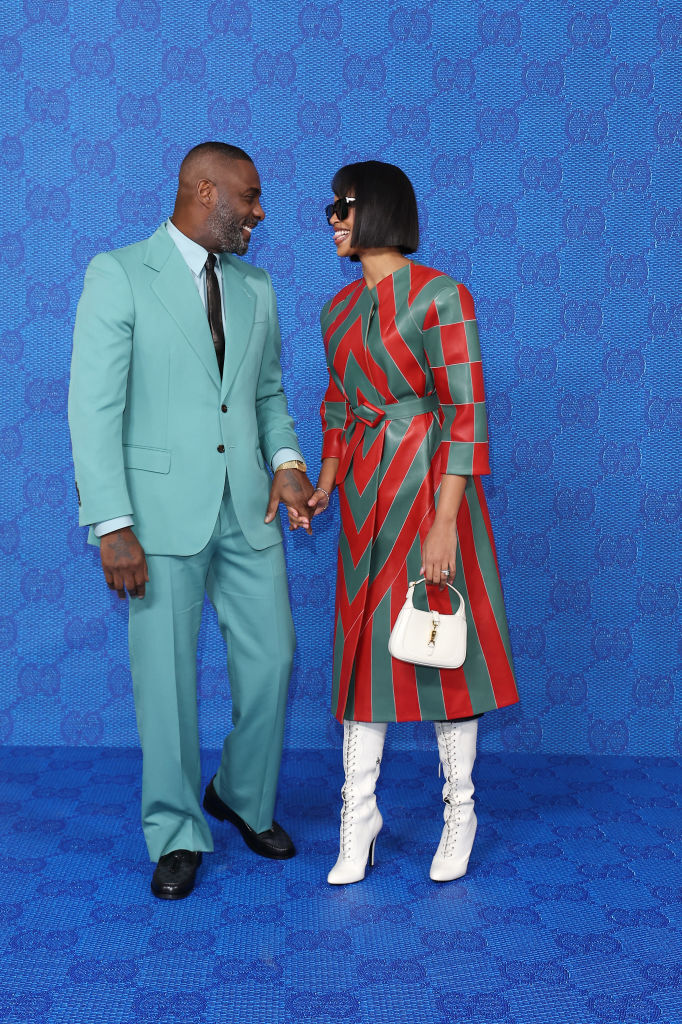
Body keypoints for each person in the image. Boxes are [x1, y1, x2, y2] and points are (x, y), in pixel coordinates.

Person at [68, 142, 314, 900]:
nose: (260, 213)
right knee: (167, 684)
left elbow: (267, 395)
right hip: (156, 516)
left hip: (248, 507)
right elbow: (94, 408)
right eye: (251, 196)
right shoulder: (118, 275)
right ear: (206, 192)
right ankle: (175, 830)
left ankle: (240, 794)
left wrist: (289, 462)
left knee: (272, 662)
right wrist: (112, 523)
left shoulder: (257, 287)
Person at [290, 160, 519, 884]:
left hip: (429, 490)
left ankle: (461, 811)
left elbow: (465, 411)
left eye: (344, 205)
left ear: (381, 211)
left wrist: (446, 521)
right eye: (331, 207)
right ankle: (357, 816)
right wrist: (326, 483)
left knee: (442, 641)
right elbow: (336, 406)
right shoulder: (336, 311)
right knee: (363, 649)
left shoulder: (442, 296)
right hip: (362, 498)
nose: (332, 218)